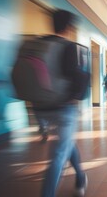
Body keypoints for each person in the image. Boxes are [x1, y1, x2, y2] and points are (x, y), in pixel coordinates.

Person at [32, 10, 88, 197]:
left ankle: (80, 177)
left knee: (67, 143)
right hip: (63, 106)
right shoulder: (69, 46)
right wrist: (77, 95)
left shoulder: (37, 45)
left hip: (40, 106)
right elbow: (76, 75)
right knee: (58, 155)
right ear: (68, 27)